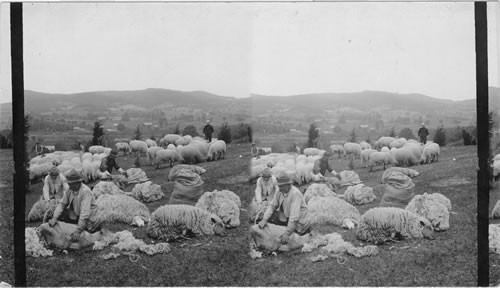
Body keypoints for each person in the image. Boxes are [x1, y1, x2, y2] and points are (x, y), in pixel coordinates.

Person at [258, 173, 311, 245]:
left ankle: (298, 233)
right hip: (289, 218)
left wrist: (287, 233)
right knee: (270, 216)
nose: (279, 188)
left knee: (291, 239)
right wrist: (264, 219)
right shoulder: (280, 191)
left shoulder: (295, 194)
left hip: (300, 223)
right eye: (279, 186)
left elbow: (294, 217)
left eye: (281, 186)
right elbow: (272, 206)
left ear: (288, 185)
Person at [48, 169, 100, 241]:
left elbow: (85, 213)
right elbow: (62, 204)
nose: (69, 185)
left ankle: (87, 230)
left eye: (71, 183)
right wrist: (54, 217)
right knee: (63, 215)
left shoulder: (85, 192)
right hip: (78, 215)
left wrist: (78, 231)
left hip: (89, 219)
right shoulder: (70, 190)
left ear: (78, 182)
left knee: (81, 235)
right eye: (69, 183)